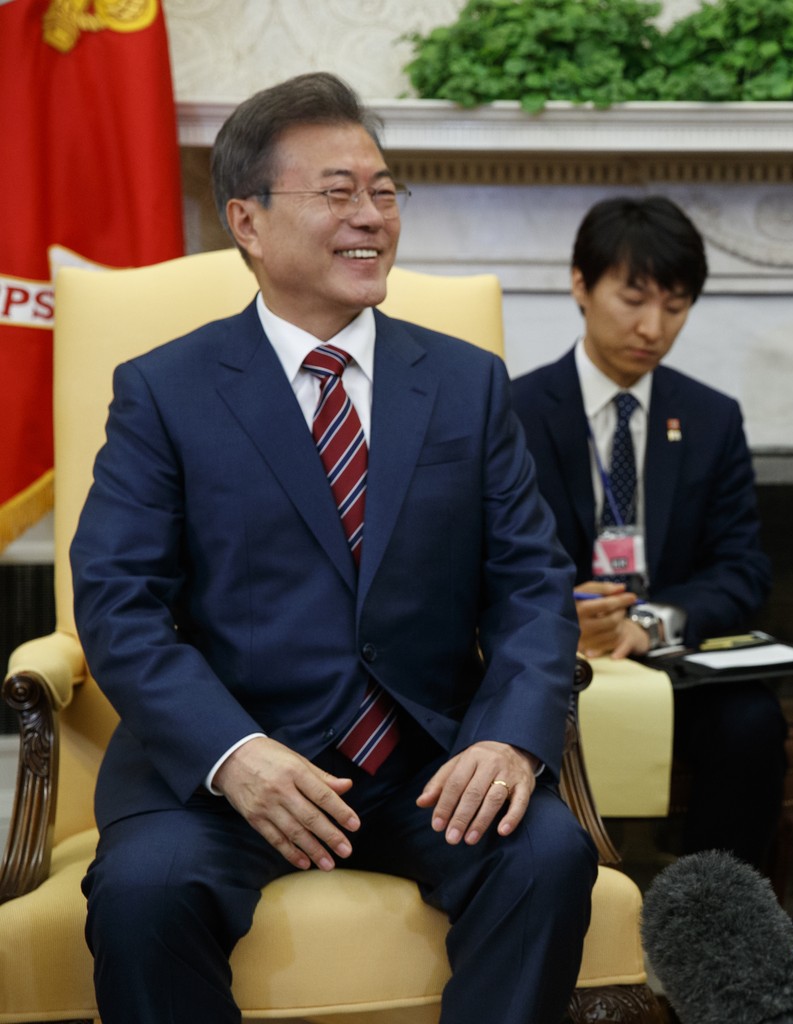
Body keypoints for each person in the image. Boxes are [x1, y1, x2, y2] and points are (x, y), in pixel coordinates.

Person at [70, 72, 595, 1023]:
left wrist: (512, 737)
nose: (372, 216)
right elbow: (118, 602)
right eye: (337, 192)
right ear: (249, 221)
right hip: (228, 771)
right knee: (145, 896)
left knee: (548, 859)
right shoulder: (164, 391)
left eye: (384, 191)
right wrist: (234, 754)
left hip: (422, 762)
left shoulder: (467, 386)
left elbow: (531, 584)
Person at [510, 195, 786, 867]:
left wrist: (649, 624)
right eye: (633, 298)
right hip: (552, 660)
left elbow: (743, 569)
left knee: (751, 720)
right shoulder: (513, 409)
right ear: (581, 282)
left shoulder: (711, 418)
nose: (653, 326)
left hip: (666, 658)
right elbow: (491, 560)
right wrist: (567, 618)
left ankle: (712, 923)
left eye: (675, 305)